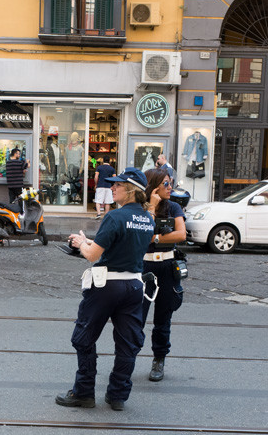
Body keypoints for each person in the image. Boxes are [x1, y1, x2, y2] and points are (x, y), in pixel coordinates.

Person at [56, 168, 155, 412]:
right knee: (127, 343)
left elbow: (92, 255)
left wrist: (81, 244)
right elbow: (122, 249)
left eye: (117, 185)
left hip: (106, 286)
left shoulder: (114, 217)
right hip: (133, 286)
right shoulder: (147, 219)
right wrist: (90, 242)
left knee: (84, 338)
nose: (112, 188)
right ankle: (118, 395)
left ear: (130, 190)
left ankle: (84, 393)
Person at [141, 168, 187, 382]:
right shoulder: (142, 207)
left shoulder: (174, 206)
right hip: (144, 268)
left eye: (171, 183)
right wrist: (151, 206)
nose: (170, 188)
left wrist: (156, 238)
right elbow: (141, 233)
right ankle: (127, 357)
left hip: (167, 266)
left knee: (163, 318)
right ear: (155, 186)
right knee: (135, 317)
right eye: (166, 184)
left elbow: (181, 234)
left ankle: (159, 359)